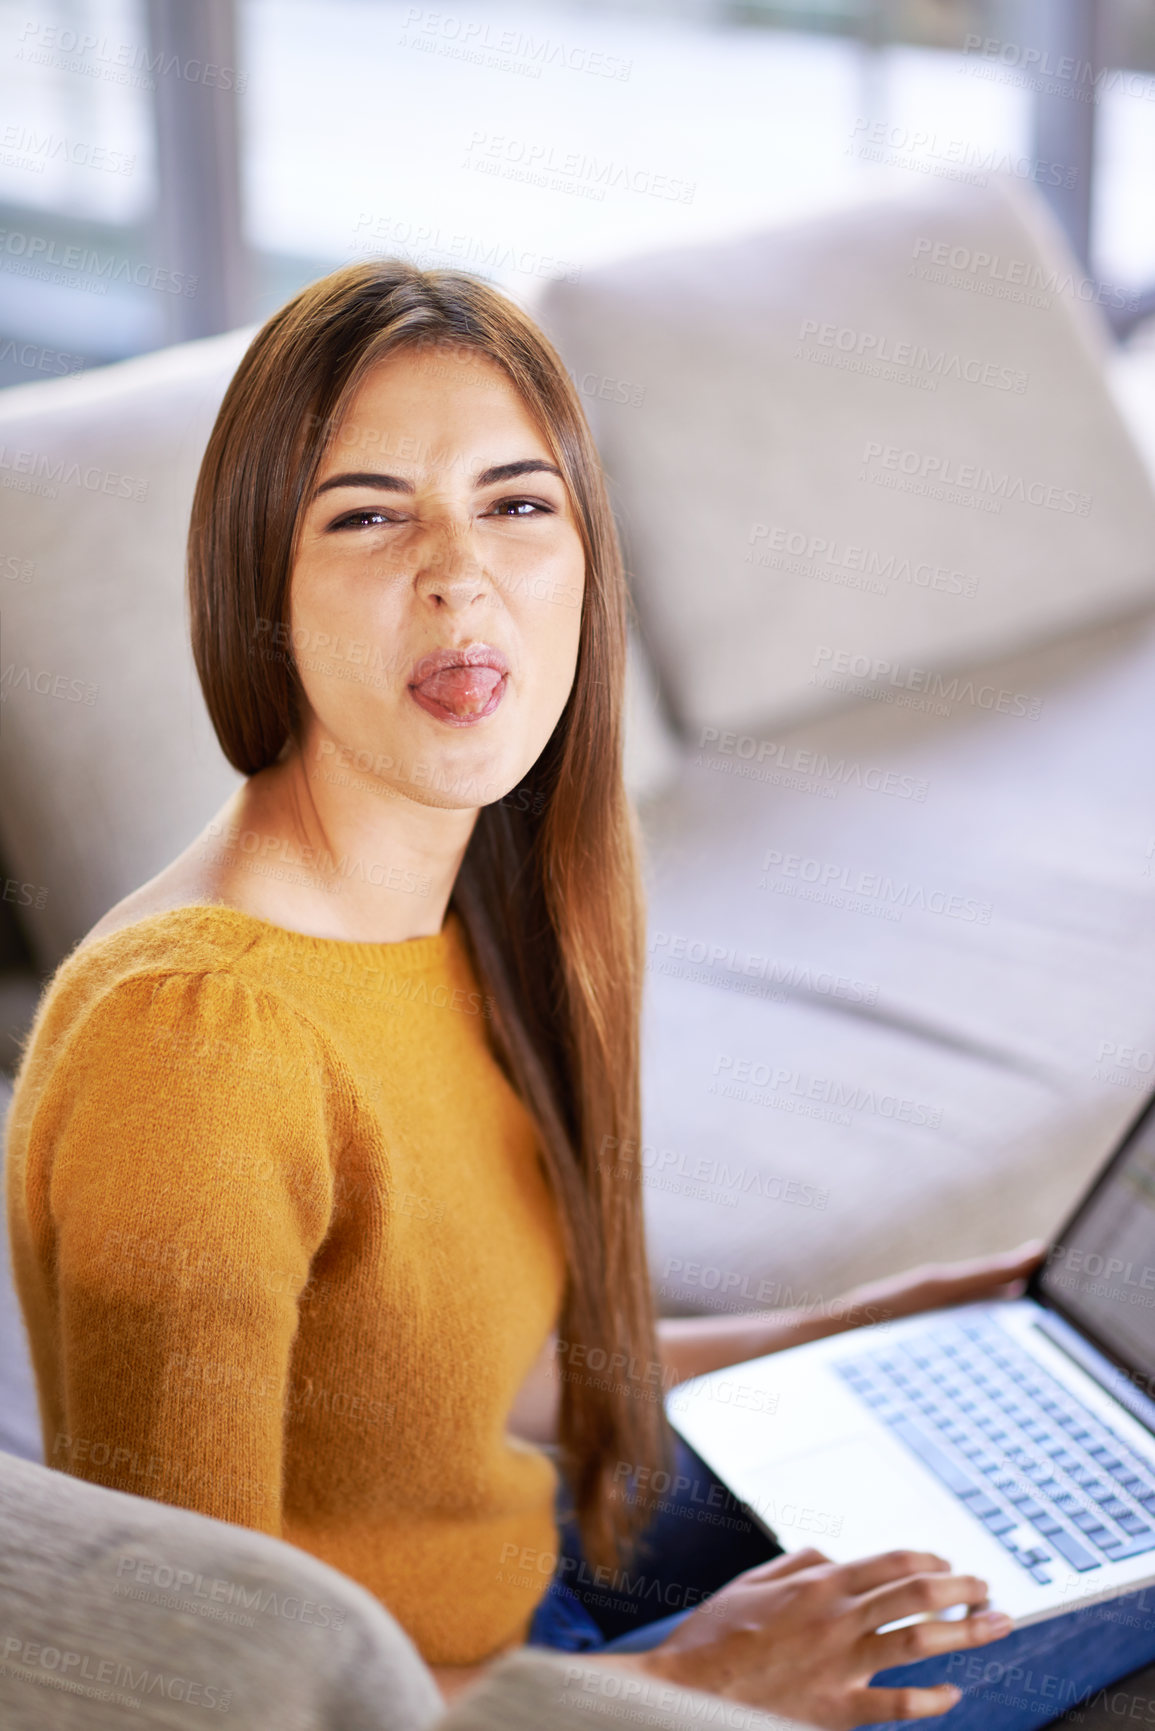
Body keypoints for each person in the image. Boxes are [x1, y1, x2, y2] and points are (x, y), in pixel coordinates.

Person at [5, 260, 1152, 1729]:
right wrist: (687, 1682)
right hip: (457, 1699)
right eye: (367, 514)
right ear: (256, 585)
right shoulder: (200, 1046)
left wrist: (876, 1320)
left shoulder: (468, 905)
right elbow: (193, 1692)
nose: (459, 573)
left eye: (516, 503)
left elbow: (487, 1379)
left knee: (1089, 1492)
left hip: (521, 1596)